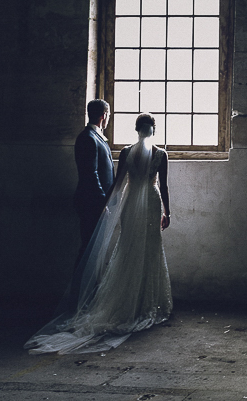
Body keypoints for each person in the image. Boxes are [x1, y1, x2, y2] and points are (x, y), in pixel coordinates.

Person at [27, 113, 173, 354]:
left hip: (130, 203)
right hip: (151, 200)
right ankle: (146, 303)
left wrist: (108, 204)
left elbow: (118, 183)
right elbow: (164, 185)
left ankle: (129, 302)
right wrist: (169, 212)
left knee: (127, 247)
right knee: (150, 249)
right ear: (153, 131)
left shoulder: (126, 152)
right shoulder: (161, 154)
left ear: (137, 130)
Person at [74, 99, 114, 258]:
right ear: (104, 115)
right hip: (92, 203)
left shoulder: (95, 136)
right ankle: (81, 283)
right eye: (108, 115)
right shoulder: (88, 138)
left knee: (96, 249)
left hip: (98, 202)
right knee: (90, 248)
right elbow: (90, 173)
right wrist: (102, 202)